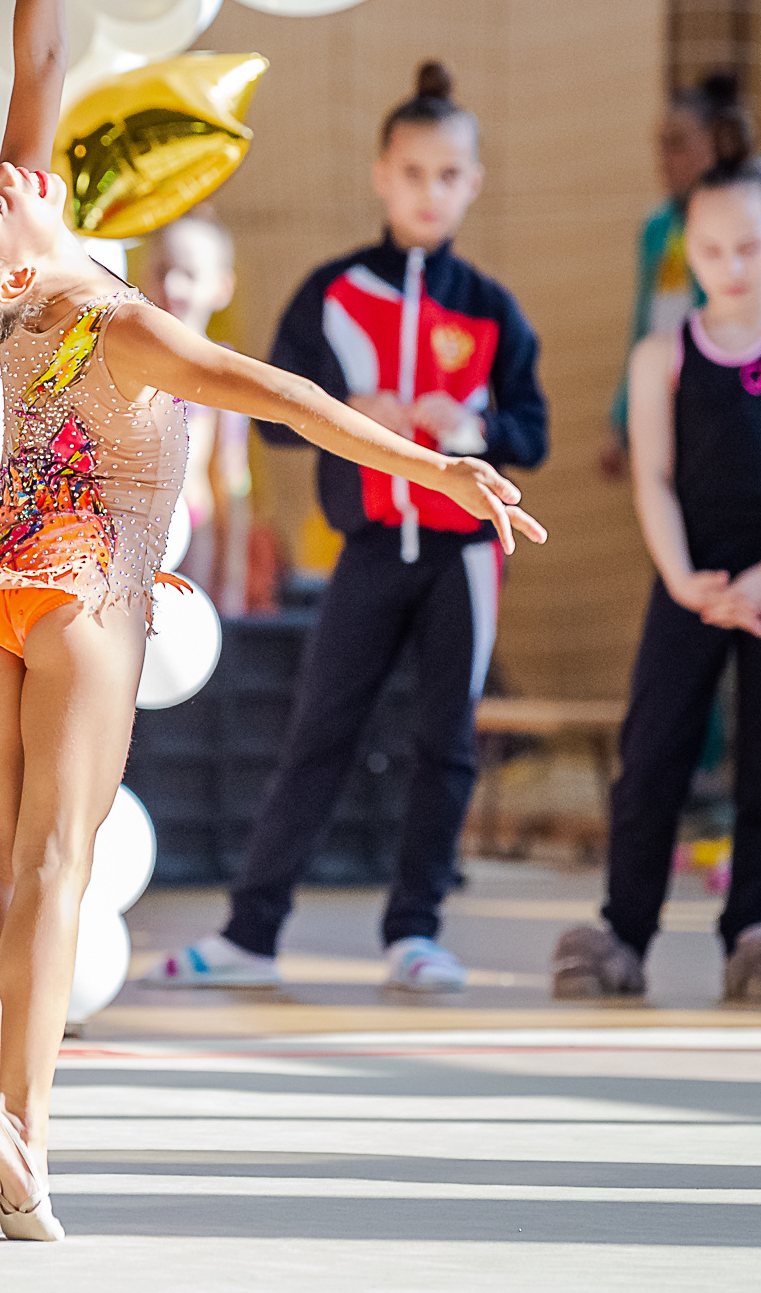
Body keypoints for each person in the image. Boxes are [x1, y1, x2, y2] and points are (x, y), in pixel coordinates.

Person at [0, 0, 545, 1242]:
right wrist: (441, 470)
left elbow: (36, 54)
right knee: (54, 865)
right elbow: (290, 398)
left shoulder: (20, 287)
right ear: (8, 271)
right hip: (81, 592)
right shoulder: (119, 320)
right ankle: (25, 1138)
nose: (13, 171)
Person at [145, 60, 550, 998]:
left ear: (473, 184)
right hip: (366, 554)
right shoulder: (329, 294)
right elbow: (274, 416)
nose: (428, 191)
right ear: (381, 174)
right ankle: (251, 932)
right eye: (412, 172)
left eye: (448, 175)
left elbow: (532, 432)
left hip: (461, 559)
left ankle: (416, 930)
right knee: (317, 734)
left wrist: (474, 428)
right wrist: (345, 409)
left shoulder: (492, 310)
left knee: (446, 743)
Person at [552, 145, 761, 1004]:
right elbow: (651, 475)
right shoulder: (662, 356)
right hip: (688, 574)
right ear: (689, 252)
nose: (732, 266)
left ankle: (755, 927)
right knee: (652, 752)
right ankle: (625, 929)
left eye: (749, 247)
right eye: (712, 250)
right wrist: (684, 579)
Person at [600, 72, 753, 480]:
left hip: (725, 409)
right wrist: (621, 418)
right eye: (660, 145)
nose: (664, 158)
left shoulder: (744, 221)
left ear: (714, 143)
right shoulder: (656, 229)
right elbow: (642, 326)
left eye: (677, 143)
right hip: (663, 406)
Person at [136, 210, 253, 610]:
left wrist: (232, 579)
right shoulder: (128, 359)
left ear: (221, 288)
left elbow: (232, 478)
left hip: (193, 527)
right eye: (162, 271)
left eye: (188, 274)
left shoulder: (223, 372)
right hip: (129, 529)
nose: (172, 285)